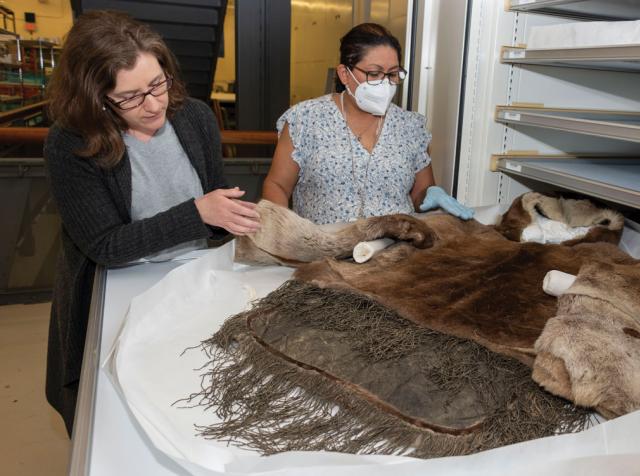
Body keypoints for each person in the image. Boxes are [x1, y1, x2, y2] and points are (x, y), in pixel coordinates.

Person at [43, 11, 260, 435]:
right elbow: (106, 245)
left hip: (194, 281)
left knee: (197, 401)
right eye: (131, 97)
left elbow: (212, 200)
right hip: (117, 289)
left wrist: (227, 216)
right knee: (121, 416)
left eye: (158, 84)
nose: (155, 103)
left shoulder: (194, 117)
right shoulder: (70, 143)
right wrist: (198, 213)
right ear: (96, 98)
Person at [262, 23, 473, 225]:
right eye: (374, 73)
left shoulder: (410, 127)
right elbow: (277, 186)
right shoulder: (306, 120)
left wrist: (430, 196)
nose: (385, 83)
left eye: (392, 74)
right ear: (345, 74)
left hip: (396, 251)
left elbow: (421, 193)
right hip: (325, 251)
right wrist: (284, 231)